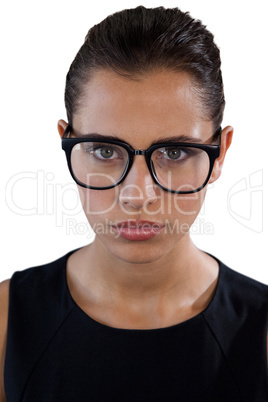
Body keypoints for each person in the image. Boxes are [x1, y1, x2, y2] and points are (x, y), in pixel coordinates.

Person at [0, 5, 267, 401]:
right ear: (66, 142)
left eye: (175, 152)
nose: (137, 195)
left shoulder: (262, 335)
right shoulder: (6, 323)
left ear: (220, 153)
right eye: (104, 151)